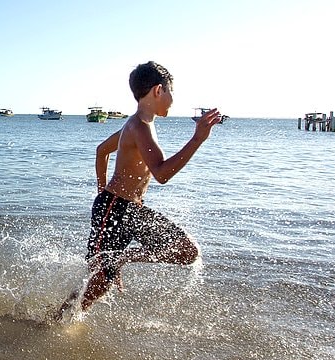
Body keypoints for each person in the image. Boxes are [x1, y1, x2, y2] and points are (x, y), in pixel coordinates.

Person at [56, 61, 220, 319]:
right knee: (98, 280)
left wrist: (102, 191)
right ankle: (56, 323)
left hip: (129, 210)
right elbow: (162, 173)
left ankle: (120, 259)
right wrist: (197, 139)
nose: (172, 100)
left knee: (186, 251)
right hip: (114, 208)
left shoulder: (135, 125)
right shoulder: (138, 126)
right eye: (170, 92)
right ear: (158, 90)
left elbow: (102, 151)